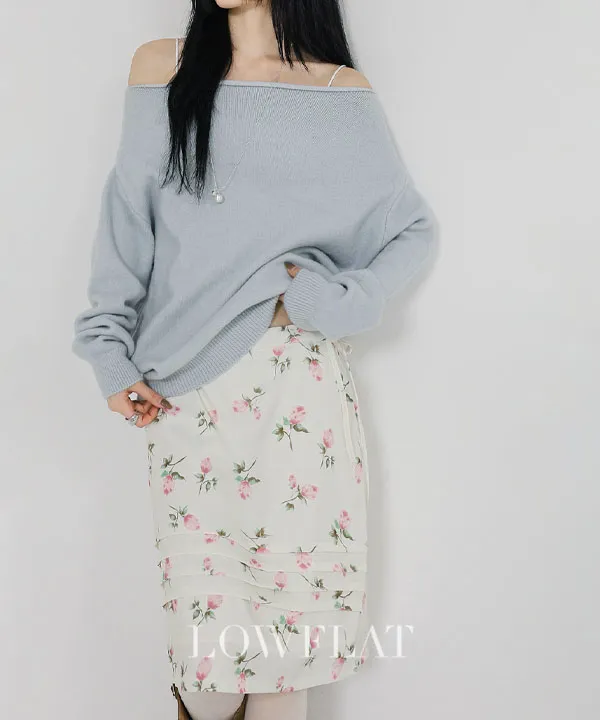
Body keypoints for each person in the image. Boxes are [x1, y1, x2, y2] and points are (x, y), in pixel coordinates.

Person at [72, 1, 436, 718]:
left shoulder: (337, 91)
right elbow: (127, 217)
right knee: (209, 670)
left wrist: (332, 300)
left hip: (297, 390)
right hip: (186, 391)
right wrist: (109, 348)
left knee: (285, 662)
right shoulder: (162, 68)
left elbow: (409, 229)